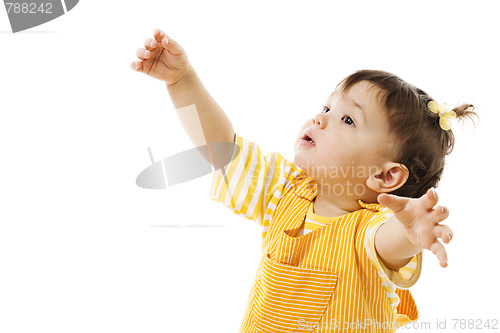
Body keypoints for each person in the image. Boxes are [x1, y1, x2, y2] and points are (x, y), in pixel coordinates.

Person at [131, 29, 477, 332]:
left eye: (347, 119)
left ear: (385, 175)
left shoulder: (371, 230)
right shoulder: (285, 190)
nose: (320, 118)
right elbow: (221, 148)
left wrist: (409, 232)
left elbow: (388, 243)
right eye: (326, 108)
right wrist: (181, 81)